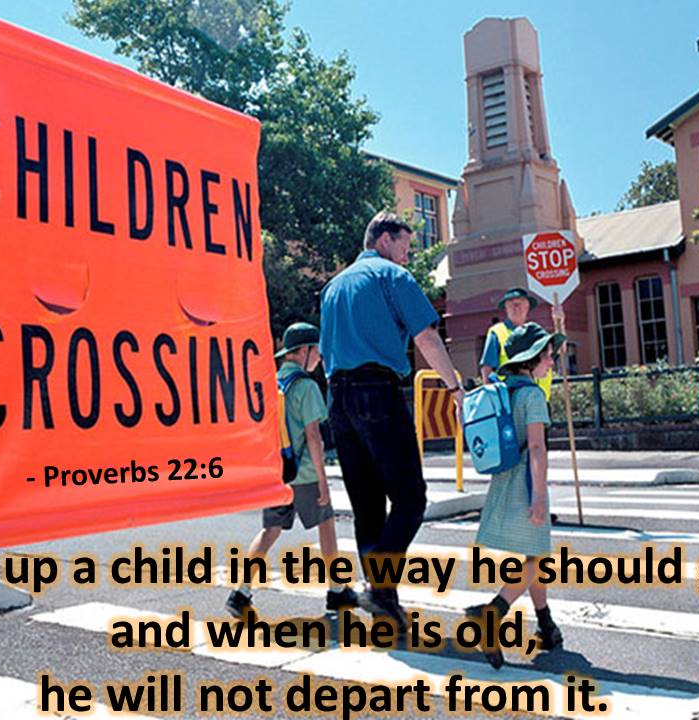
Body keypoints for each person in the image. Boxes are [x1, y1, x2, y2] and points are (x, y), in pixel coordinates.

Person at [319, 211, 463, 632]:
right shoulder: (392, 276)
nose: (407, 254)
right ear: (384, 239)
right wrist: (454, 387)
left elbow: (326, 352)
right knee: (410, 497)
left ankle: (385, 600)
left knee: (366, 504)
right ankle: (381, 586)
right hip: (376, 391)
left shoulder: (332, 287)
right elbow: (426, 337)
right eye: (404, 244)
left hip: (338, 397)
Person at [225, 322, 358, 618]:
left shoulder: (271, 383)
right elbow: (314, 436)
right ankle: (337, 590)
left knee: (270, 530)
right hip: (306, 473)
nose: (320, 357)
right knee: (326, 524)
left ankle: (240, 593)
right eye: (317, 351)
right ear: (303, 351)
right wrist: (323, 481)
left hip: (278, 473)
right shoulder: (306, 387)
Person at [466, 322, 566, 669]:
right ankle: (492, 613)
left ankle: (546, 625)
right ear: (532, 358)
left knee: (533, 553)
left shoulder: (505, 391)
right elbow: (536, 447)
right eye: (548, 356)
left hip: (504, 481)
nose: (551, 362)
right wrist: (539, 496)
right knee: (538, 559)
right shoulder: (533, 395)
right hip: (526, 482)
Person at [480, 287, 563, 400]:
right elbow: (487, 369)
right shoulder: (497, 332)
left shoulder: (535, 332)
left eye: (521, 302)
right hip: (512, 400)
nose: (516, 307)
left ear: (528, 306)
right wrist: (493, 401)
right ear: (505, 307)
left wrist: (559, 322)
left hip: (541, 399)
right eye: (512, 303)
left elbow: (561, 349)